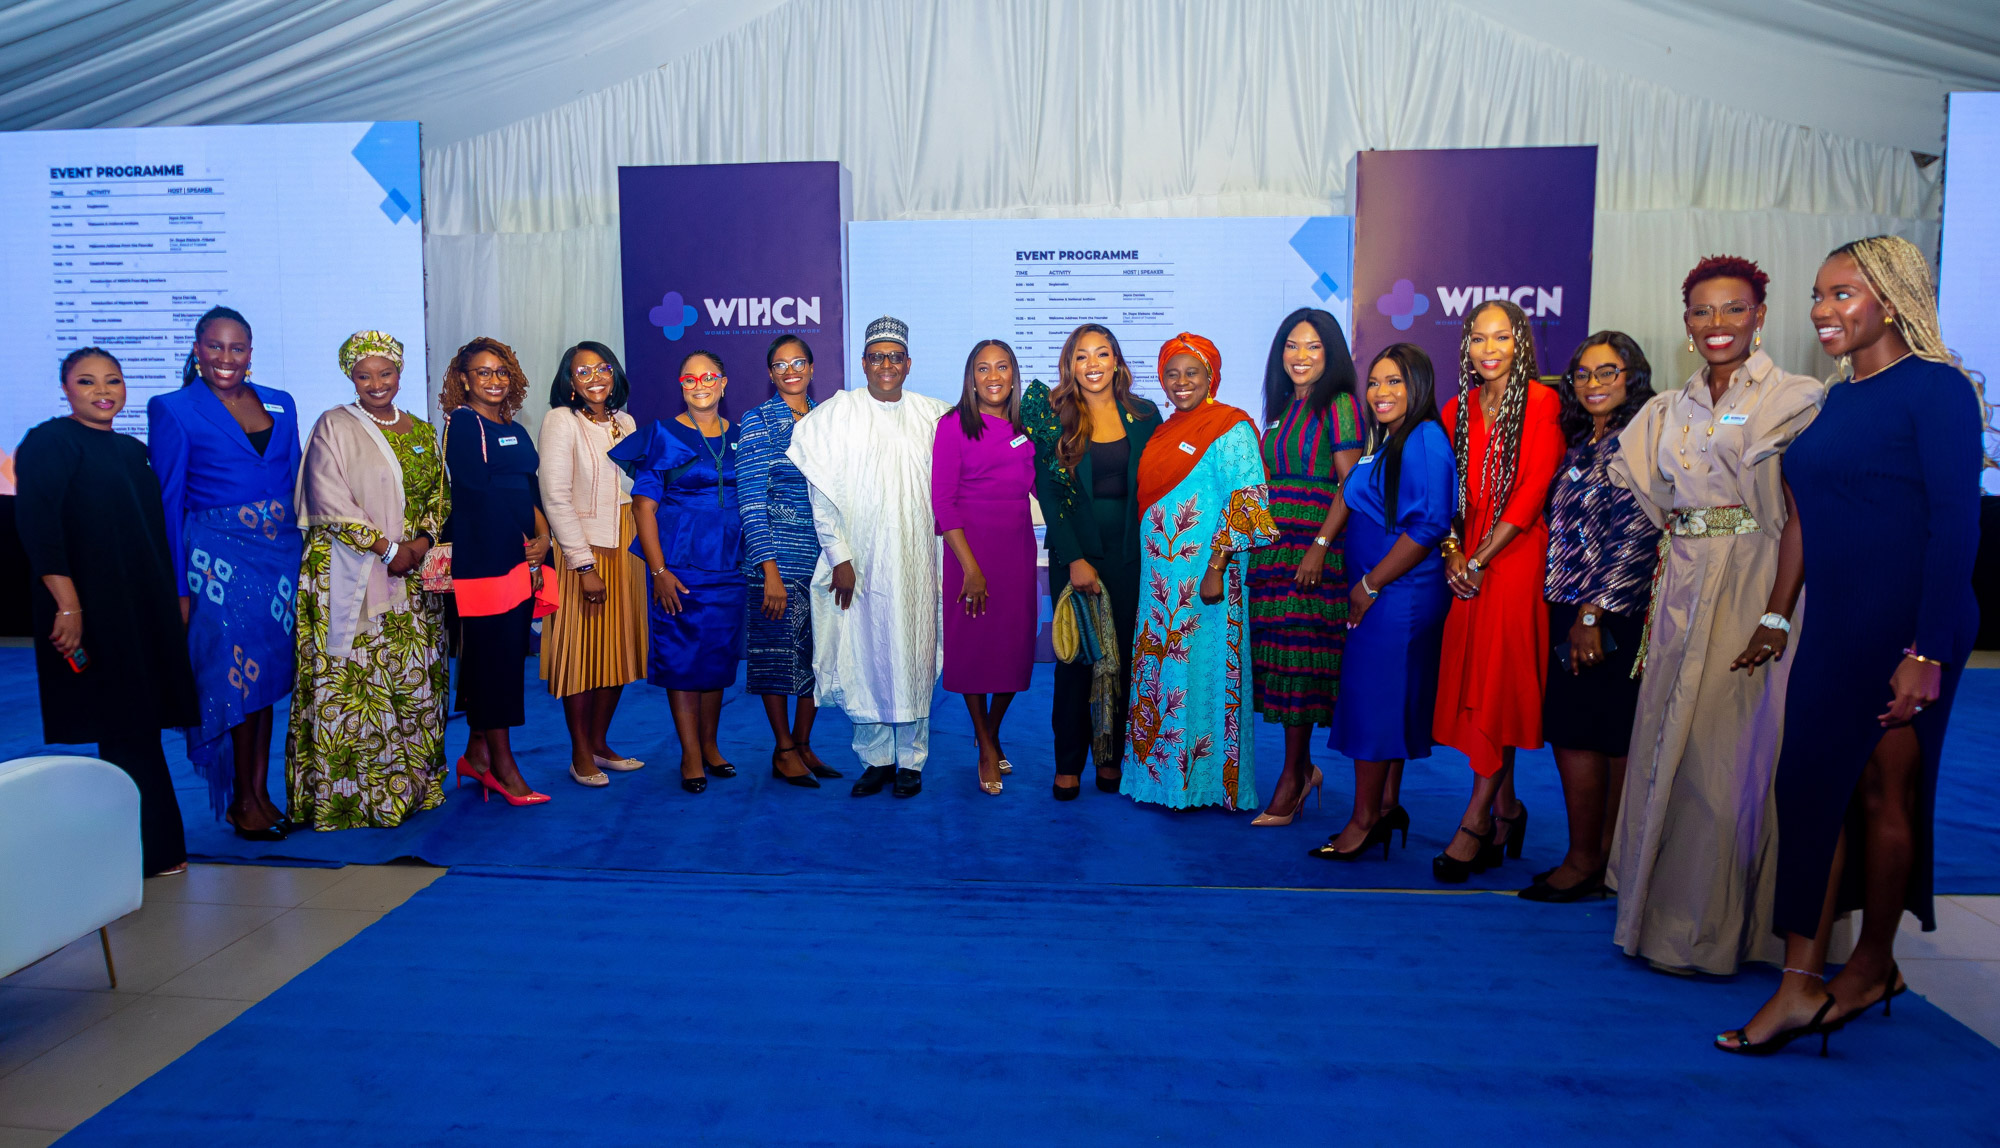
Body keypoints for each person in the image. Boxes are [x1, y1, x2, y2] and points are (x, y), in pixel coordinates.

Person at [1719, 237, 1982, 1055]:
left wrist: (1928, 650)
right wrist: (1777, 615)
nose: (1823, 310)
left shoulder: (1937, 388)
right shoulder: (1838, 398)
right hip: (1835, 622)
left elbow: (1956, 524)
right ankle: (1804, 979)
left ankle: (1867, 967)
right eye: (1819, 295)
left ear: (1892, 299)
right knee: (1810, 790)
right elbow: (1806, 516)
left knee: (1883, 794)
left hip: (1907, 625)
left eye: (1844, 293)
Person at [1608, 255, 1823, 974]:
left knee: (1729, 759)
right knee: (1666, 744)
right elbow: (1650, 493)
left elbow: (1801, 516)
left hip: (1756, 583)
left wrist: (1777, 615)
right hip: (1681, 586)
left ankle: (1720, 931)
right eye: (1702, 311)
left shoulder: (1795, 397)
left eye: (1734, 309)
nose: (1718, 323)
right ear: (1686, 322)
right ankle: (1657, 918)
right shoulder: (1669, 408)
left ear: (1760, 315)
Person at [17, 348, 197, 875]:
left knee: (139, 729)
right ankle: (146, 854)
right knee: (123, 727)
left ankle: (158, 852)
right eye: (86, 380)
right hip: (92, 612)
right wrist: (68, 607)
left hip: (140, 609)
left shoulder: (130, 450)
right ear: (65, 388)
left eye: (112, 380)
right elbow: (39, 528)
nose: (102, 390)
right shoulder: (50, 442)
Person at [148, 307, 303, 839]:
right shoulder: (173, 408)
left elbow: (296, 479)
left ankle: (259, 794)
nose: (225, 358)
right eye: (215, 346)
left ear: (250, 352)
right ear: (197, 349)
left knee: (265, 679)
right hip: (217, 564)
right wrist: (178, 588)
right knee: (234, 678)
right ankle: (243, 800)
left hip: (279, 559)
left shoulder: (280, 401)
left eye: (237, 348)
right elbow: (168, 501)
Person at [287, 331, 450, 830]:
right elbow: (327, 499)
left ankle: (414, 787)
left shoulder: (423, 430)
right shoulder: (333, 426)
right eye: (364, 375)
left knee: (415, 679)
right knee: (355, 682)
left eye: (385, 373)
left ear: (400, 373)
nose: (376, 384)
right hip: (348, 574)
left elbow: (439, 495)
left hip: (413, 579)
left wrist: (419, 543)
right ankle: (354, 799)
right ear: (350, 377)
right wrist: (387, 549)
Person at [788, 316, 952, 798]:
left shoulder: (934, 415)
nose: (886, 365)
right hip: (858, 562)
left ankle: (912, 762)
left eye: (895, 357)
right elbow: (821, 494)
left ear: (908, 364)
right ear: (863, 363)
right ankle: (876, 760)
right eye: (877, 357)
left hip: (917, 561)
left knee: (913, 655)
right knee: (865, 655)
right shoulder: (837, 414)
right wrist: (839, 556)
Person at [1520, 331, 1659, 900]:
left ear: (1632, 377)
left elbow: (1636, 534)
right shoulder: (1584, 442)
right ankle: (1600, 861)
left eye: (1607, 372)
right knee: (1589, 732)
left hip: (1606, 614)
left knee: (1591, 733)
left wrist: (1593, 615)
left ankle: (1589, 862)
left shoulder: (1638, 440)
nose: (1593, 383)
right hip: (1572, 608)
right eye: (1582, 373)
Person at [1432, 299, 1564, 882]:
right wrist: (1454, 553)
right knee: (1478, 683)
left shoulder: (1541, 401)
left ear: (1521, 343)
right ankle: (1508, 809)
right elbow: (1447, 495)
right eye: (1479, 338)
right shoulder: (1455, 408)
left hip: (1513, 557)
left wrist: (1482, 558)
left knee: (1496, 685)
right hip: (1467, 560)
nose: (1490, 349)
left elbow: (1532, 490)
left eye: (1502, 337)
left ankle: (1477, 820)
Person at [1310, 344, 1455, 861]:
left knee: (1374, 703)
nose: (1380, 392)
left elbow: (1429, 525)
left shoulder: (1425, 439)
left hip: (1399, 594)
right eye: (1374, 382)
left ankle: (1364, 819)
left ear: (1418, 386)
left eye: (1394, 382)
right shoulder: (1391, 438)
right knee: (1388, 701)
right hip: (1385, 591)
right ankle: (1387, 806)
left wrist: (1370, 585)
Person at [1124, 332, 1278, 811]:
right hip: (1160, 584)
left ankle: (1210, 782)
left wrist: (1216, 567)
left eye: (1192, 372)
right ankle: (1164, 779)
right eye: (1172, 373)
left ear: (1211, 376)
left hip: (1208, 577)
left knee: (1205, 673)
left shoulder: (1230, 426)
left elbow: (1246, 501)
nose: (1181, 382)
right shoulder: (1163, 430)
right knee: (1165, 672)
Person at [1022, 324, 1161, 801]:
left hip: (1131, 556)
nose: (1093, 364)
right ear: (1070, 365)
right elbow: (1049, 494)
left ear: (1117, 361)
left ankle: (1110, 757)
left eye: (1102, 353)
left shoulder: (1145, 414)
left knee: (1120, 660)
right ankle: (1067, 764)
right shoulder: (1053, 416)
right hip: (1077, 556)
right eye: (1082, 356)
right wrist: (1076, 559)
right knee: (1076, 664)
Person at [1248, 308, 1365, 826]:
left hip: (1312, 551)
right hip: (1274, 552)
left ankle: (1292, 778)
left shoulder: (1339, 404)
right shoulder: (1281, 407)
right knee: (1281, 664)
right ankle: (1303, 767)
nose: (1300, 356)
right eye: (1292, 346)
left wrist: (1319, 544)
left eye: (1313, 346)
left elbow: (1351, 484)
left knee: (1300, 664)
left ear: (1330, 353)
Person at [613, 350, 746, 795]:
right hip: (680, 567)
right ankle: (690, 755)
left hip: (729, 565)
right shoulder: (663, 435)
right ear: (681, 385)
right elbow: (643, 508)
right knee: (684, 659)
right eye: (690, 378)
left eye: (709, 377)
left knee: (717, 659)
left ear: (723, 382)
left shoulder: (740, 435)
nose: (700, 384)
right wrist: (659, 572)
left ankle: (710, 747)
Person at [441, 337, 553, 807]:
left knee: (503, 657)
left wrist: (544, 539)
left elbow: (528, 490)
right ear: (464, 379)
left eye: (501, 371)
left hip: (521, 557)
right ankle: (503, 769)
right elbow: (476, 492)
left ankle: (477, 755)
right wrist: (524, 548)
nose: (494, 380)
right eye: (483, 372)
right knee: (494, 662)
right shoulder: (464, 424)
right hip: (487, 561)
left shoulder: (514, 428)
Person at [538, 342, 647, 788]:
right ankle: (580, 752)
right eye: (583, 371)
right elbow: (555, 497)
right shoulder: (561, 421)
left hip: (627, 546)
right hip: (584, 550)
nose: (595, 377)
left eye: (602, 368)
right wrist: (583, 566)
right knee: (581, 655)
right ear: (569, 381)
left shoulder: (626, 422)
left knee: (618, 649)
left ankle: (600, 743)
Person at [932, 339, 1037, 795]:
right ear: (970, 378)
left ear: (1014, 375)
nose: (993, 376)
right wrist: (971, 570)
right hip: (968, 552)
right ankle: (986, 746)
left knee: (1014, 646)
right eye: (982, 368)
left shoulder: (1028, 428)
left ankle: (990, 732)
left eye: (1002, 367)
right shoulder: (953, 425)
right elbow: (943, 501)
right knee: (973, 649)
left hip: (1016, 550)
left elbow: (1045, 486)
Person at [738, 335, 840, 785]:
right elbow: (749, 501)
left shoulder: (827, 420)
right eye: (781, 365)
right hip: (777, 562)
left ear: (812, 368)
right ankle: (782, 750)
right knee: (777, 659)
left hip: (823, 560)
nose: (791, 371)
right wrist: (769, 571)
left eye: (799, 362)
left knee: (816, 658)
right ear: (771, 374)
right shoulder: (758, 421)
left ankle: (803, 744)